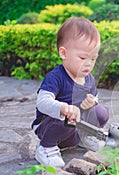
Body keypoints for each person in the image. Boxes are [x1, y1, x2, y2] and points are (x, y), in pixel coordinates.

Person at [31, 17, 109, 167]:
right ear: (64, 53)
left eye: (93, 59)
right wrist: (62, 108)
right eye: (83, 58)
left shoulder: (88, 79)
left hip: (76, 130)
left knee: (101, 112)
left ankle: (85, 137)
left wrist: (91, 103)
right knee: (67, 117)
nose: (89, 64)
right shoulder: (56, 77)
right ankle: (46, 147)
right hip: (51, 128)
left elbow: (95, 98)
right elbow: (42, 103)